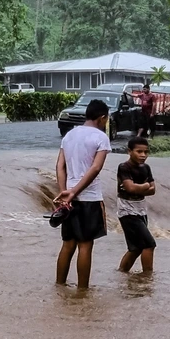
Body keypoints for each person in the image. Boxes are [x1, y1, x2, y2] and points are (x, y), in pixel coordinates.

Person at [53, 99, 112, 288]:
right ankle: (82, 292)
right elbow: (95, 168)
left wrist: (65, 192)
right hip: (89, 199)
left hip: (68, 200)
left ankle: (59, 286)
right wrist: (75, 192)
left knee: (68, 244)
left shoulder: (69, 135)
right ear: (102, 118)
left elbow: (59, 166)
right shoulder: (101, 137)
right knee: (85, 245)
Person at [115, 136, 158, 273]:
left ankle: (121, 273)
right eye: (139, 152)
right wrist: (145, 185)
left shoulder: (146, 168)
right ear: (129, 151)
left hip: (141, 210)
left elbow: (153, 191)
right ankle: (147, 278)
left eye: (146, 152)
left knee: (136, 248)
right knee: (149, 244)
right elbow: (130, 188)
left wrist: (140, 187)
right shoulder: (124, 167)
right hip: (127, 212)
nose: (143, 155)